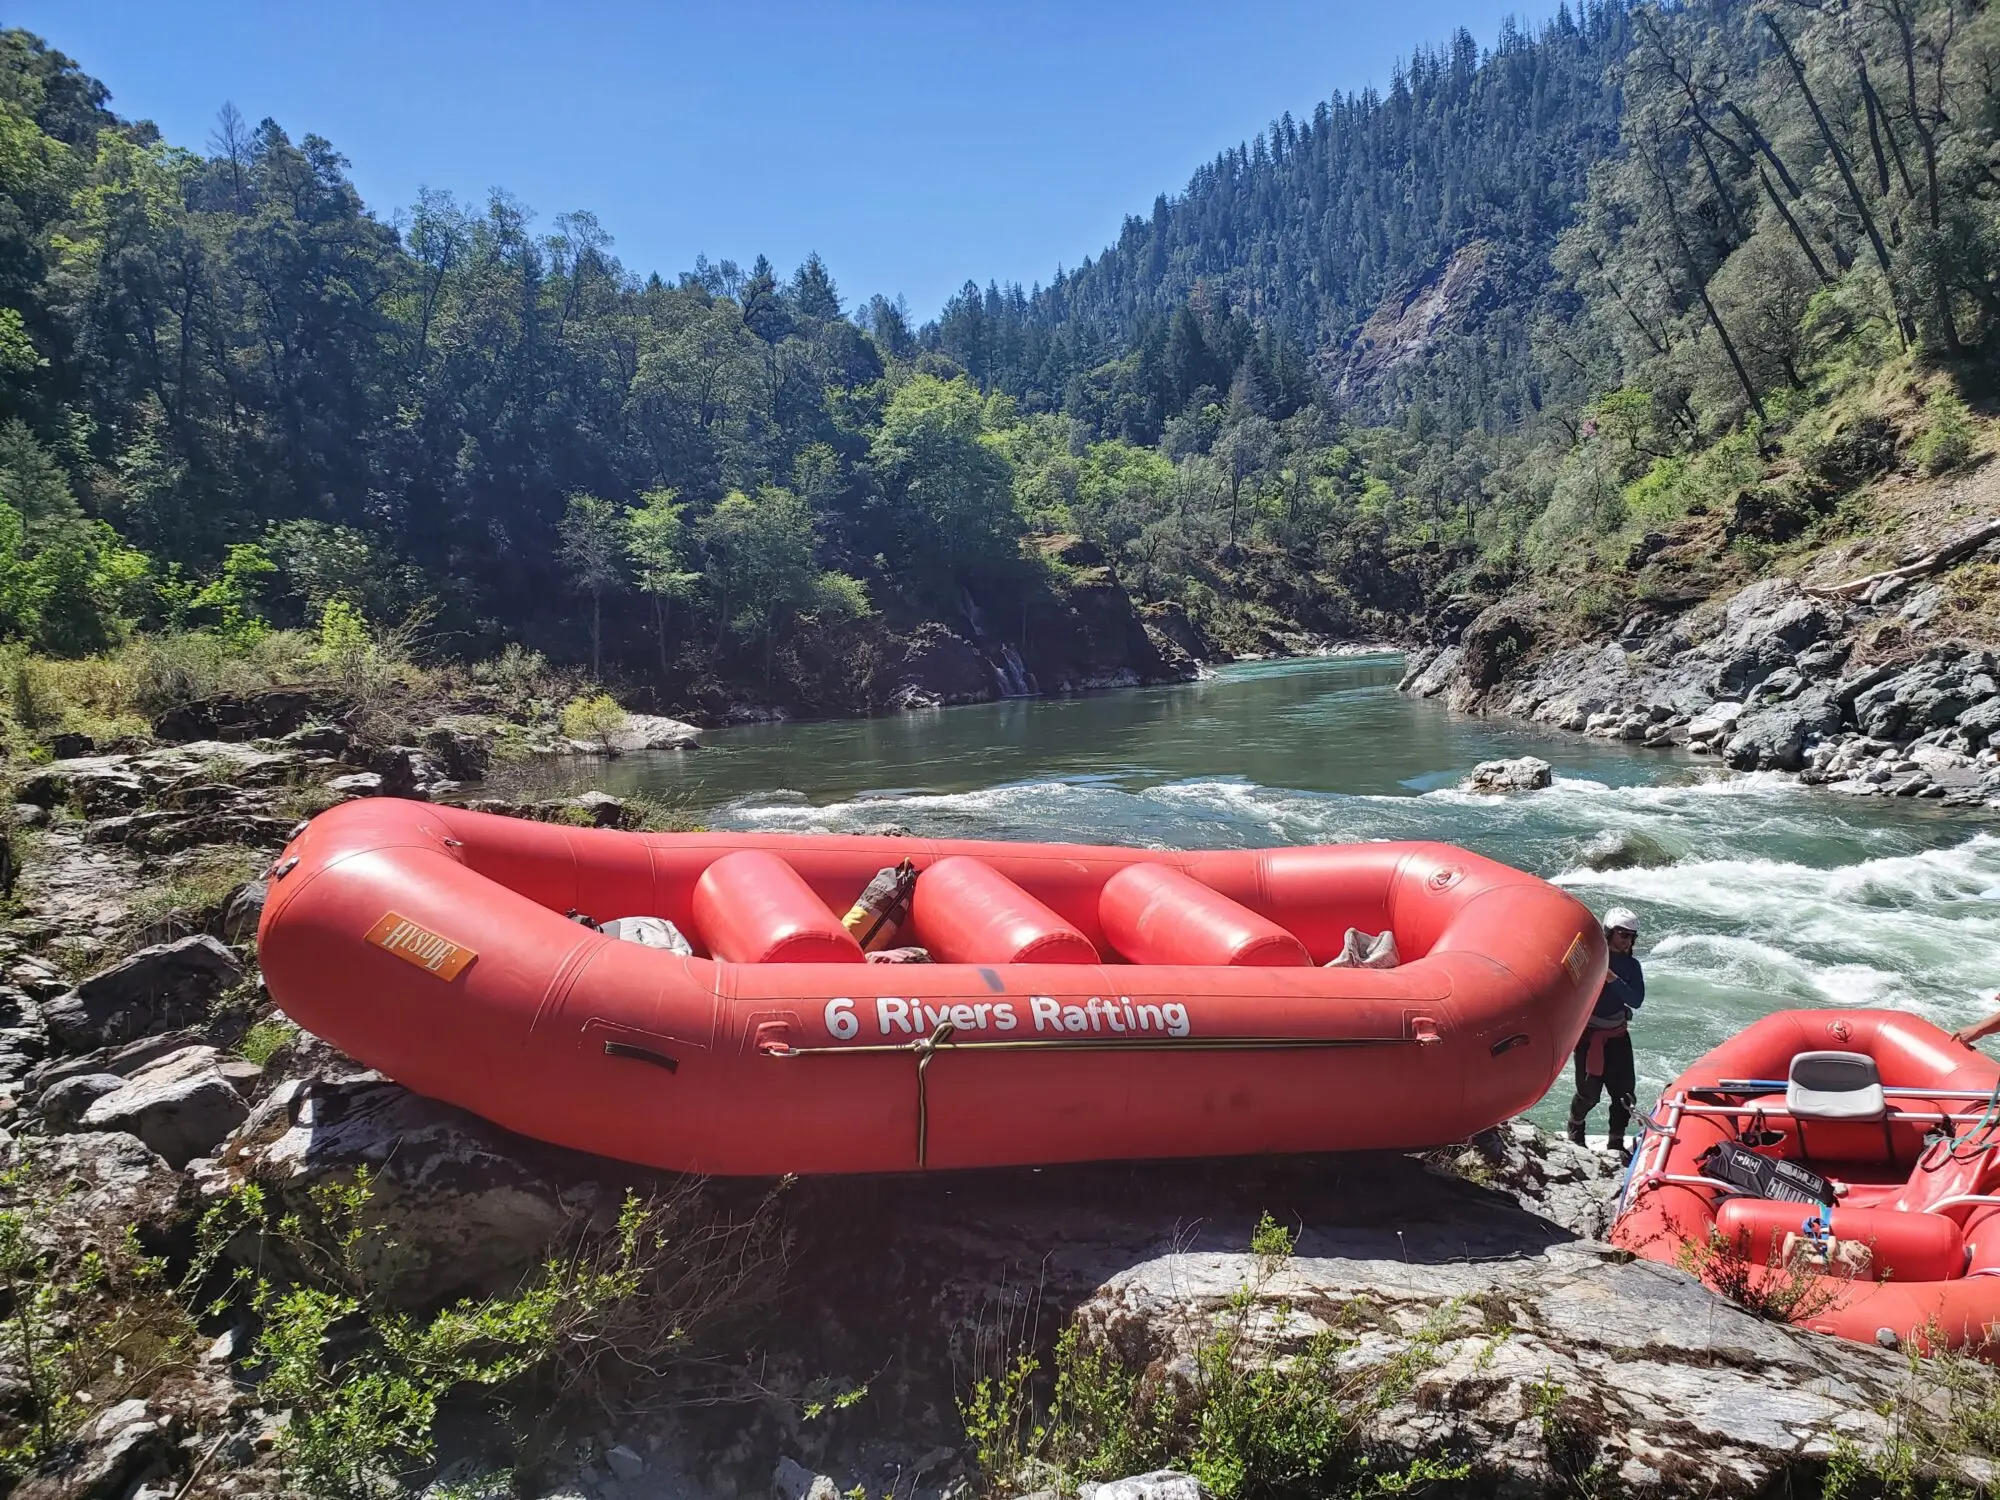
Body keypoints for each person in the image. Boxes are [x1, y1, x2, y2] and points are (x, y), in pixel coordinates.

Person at [1567, 907, 1644, 1158]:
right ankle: (1575, 1131)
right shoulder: (1590, 959)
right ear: (1609, 933)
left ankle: (1616, 1143)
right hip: (1589, 1038)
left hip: (1617, 1037)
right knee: (1588, 1094)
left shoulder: (1631, 966)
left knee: (1625, 1095)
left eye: (1632, 936)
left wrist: (1612, 978)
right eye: (1623, 934)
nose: (1628, 940)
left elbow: (1636, 1000)